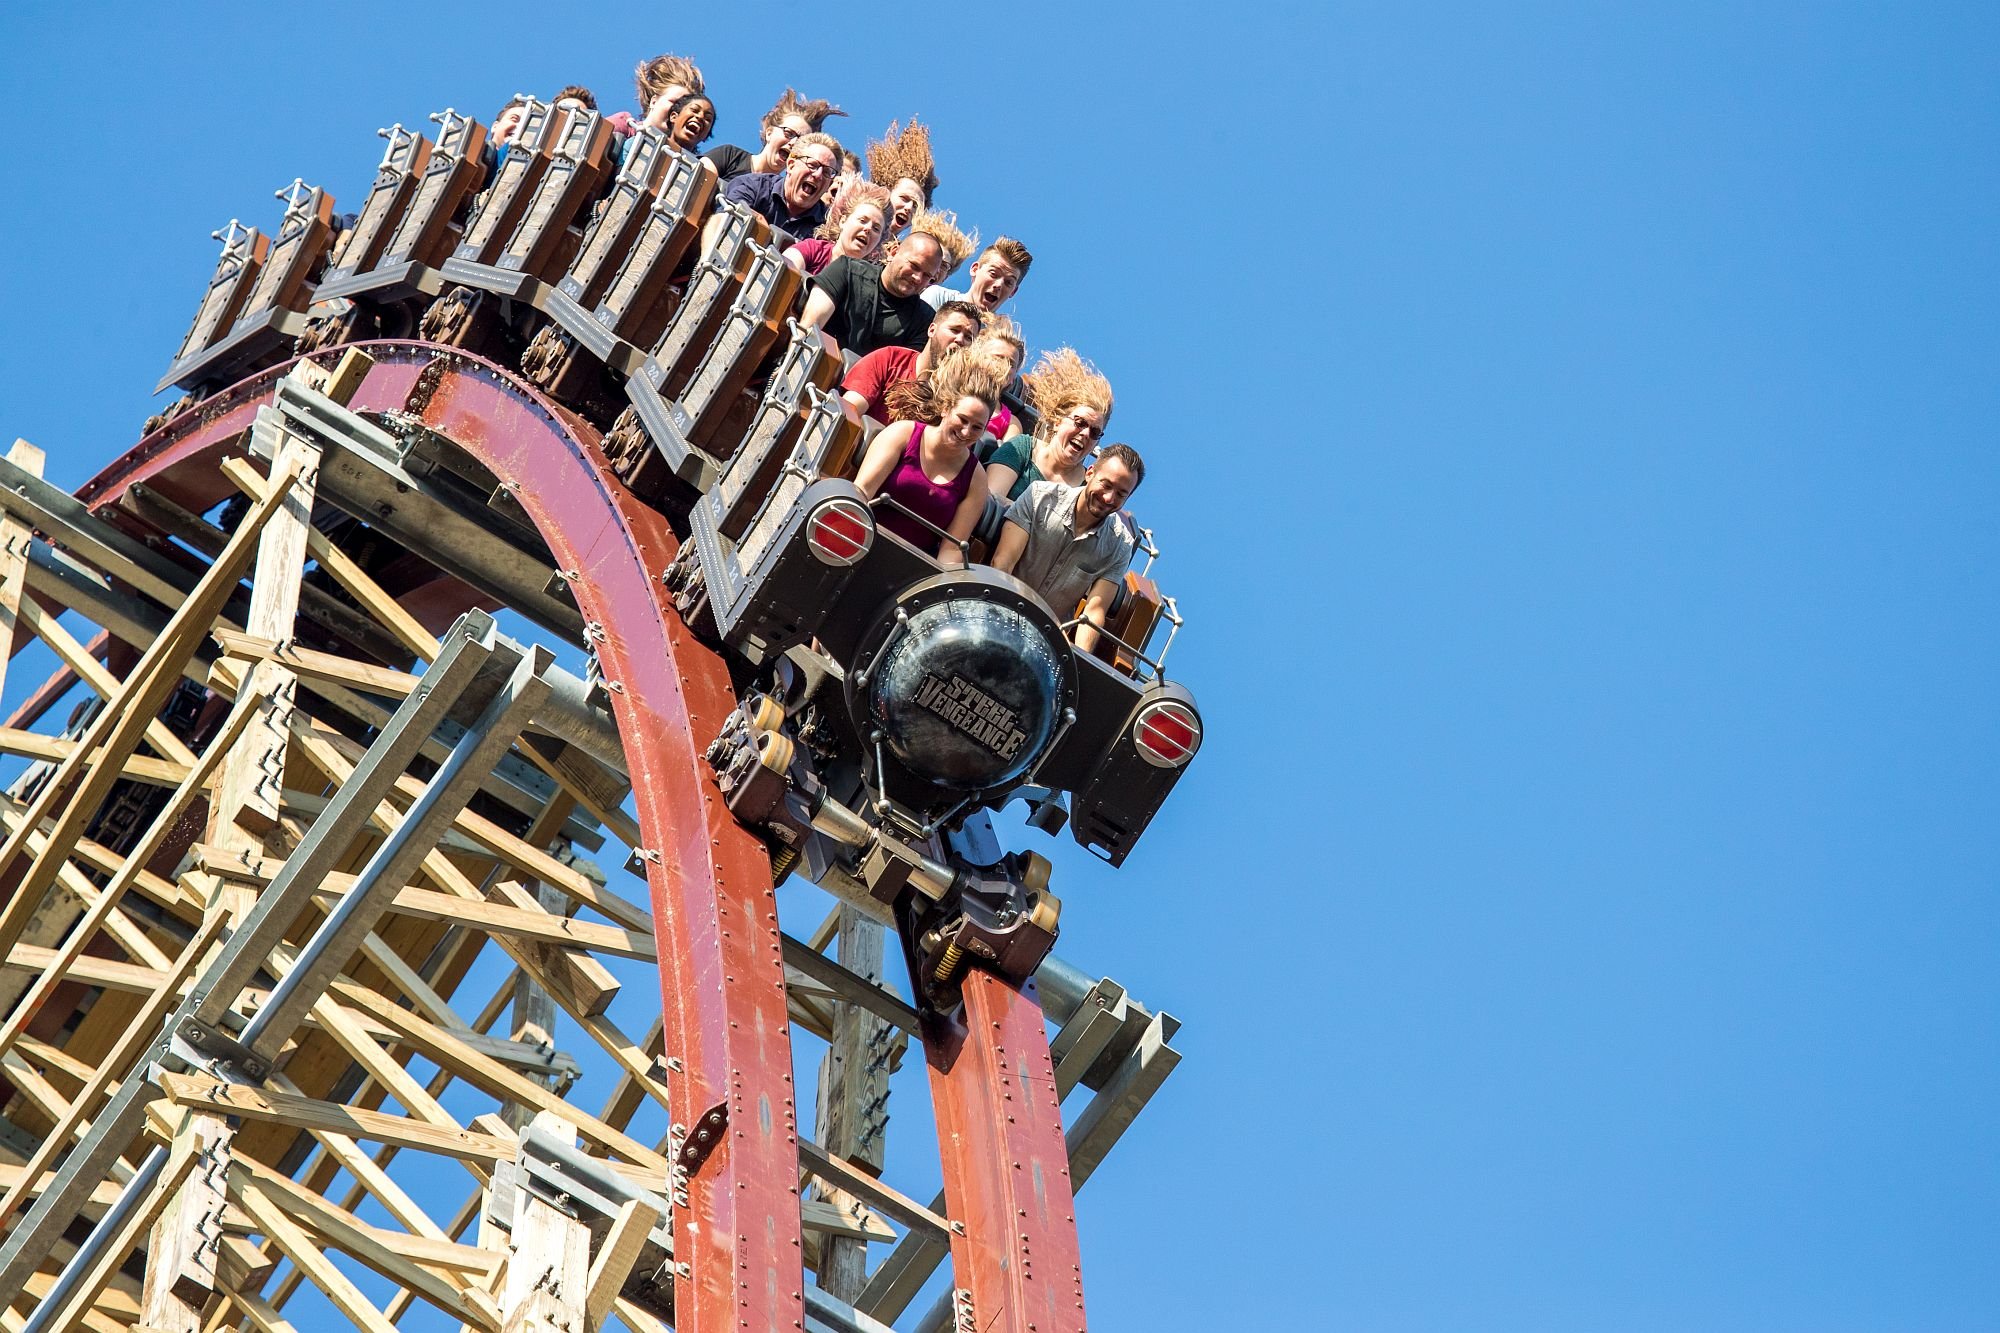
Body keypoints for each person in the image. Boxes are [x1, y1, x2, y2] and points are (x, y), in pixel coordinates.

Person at [852, 352, 1007, 567]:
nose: (966, 431)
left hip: (910, 570)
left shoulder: (976, 478)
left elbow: (951, 549)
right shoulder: (902, 434)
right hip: (859, 541)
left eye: (977, 427)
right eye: (962, 419)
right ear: (945, 408)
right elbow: (860, 493)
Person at [989, 444, 1144, 651]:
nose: (1109, 498)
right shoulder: (1039, 496)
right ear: (1090, 473)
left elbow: (1094, 612)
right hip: (997, 612)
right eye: (1106, 485)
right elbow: (1003, 562)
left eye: (1120, 494)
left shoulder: (1120, 545)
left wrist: (1080, 658)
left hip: (1042, 645)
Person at [983, 347, 1113, 498]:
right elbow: (993, 498)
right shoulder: (1023, 448)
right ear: (1058, 422)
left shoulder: (1086, 489)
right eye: (1080, 423)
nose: (1085, 434)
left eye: (1095, 432)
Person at [798, 225, 947, 356]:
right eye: (914, 266)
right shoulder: (846, 271)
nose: (917, 278)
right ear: (894, 252)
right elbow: (809, 326)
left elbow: (903, 374)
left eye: (927, 276)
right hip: (809, 366)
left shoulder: (924, 320)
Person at [841, 299, 982, 422]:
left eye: (968, 337)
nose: (960, 340)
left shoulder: (957, 397)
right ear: (932, 330)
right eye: (954, 330)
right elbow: (849, 410)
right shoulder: (891, 359)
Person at [705, 89, 844, 184]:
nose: (793, 143)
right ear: (769, 133)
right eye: (789, 133)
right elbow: (699, 180)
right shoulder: (730, 156)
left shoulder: (778, 196)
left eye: (801, 142)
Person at [722, 131, 841, 238]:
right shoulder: (753, 186)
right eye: (812, 165)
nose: (818, 175)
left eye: (827, 172)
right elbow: (724, 222)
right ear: (791, 165)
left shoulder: (826, 227)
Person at [787, 180, 890, 277]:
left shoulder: (867, 281)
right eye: (862, 220)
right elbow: (785, 268)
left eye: (876, 229)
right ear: (843, 221)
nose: (868, 229)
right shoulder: (814, 249)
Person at [865, 119, 938, 237]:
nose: (909, 208)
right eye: (904, 198)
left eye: (915, 206)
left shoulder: (904, 254)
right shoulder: (849, 228)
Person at [606, 54, 705, 139]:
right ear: (654, 102)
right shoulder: (626, 125)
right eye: (674, 102)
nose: (677, 112)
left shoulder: (679, 157)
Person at [923, 237, 1032, 314]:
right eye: (993, 274)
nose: (999, 285)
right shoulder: (938, 297)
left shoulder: (998, 337)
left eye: (1008, 282)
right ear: (975, 269)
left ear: (1013, 291)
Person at [964, 316, 1028, 442]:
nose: (1003, 366)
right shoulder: (951, 390)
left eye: (1011, 364)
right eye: (998, 357)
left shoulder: (1010, 423)